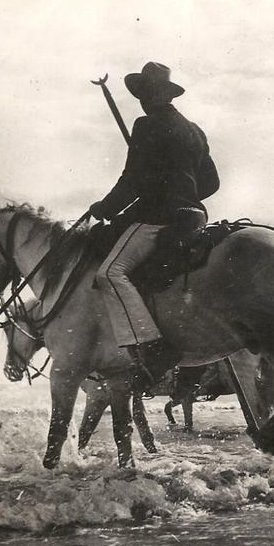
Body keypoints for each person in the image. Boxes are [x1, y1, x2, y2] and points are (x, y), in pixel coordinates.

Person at [89, 61, 219, 390]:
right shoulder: (195, 130)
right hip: (195, 217)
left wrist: (106, 207)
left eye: (142, 94)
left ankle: (154, 348)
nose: (141, 101)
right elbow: (212, 183)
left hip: (160, 218)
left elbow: (132, 180)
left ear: (147, 95)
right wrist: (183, 192)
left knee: (109, 273)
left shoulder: (145, 125)